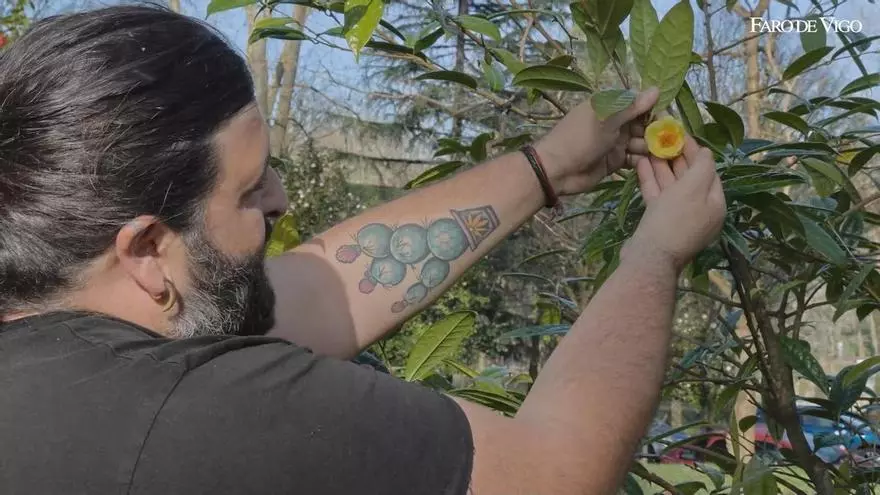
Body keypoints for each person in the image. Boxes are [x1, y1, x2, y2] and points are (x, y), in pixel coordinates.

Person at [0, 6, 726, 495]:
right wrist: (654, 255)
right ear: (147, 250)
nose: (280, 198)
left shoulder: (61, 352)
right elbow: (555, 472)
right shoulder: (188, 411)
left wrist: (546, 168)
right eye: (250, 189)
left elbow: (319, 289)